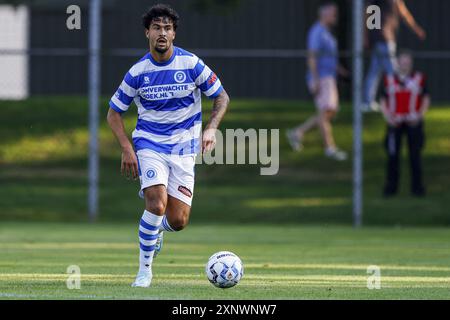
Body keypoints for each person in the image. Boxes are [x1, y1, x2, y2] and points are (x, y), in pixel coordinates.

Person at [107, 4, 230, 287]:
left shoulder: (191, 64)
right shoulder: (137, 72)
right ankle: (144, 271)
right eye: (156, 28)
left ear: (174, 34)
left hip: (184, 150)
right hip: (149, 144)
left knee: (177, 220)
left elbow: (221, 96)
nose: (162, 33)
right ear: (147, 33)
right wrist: (127, 147)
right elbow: (114, 112)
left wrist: (211, 129)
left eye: (167, 28)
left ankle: (156, 231)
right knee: (156, 203)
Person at [287, 1, 348, 161]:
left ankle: (297, 132)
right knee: (325, 112)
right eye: (333, 12)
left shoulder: (327, 32)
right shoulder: (317, 31)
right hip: (321, 78)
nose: (335, 16)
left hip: (329, 76)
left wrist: (341, 70)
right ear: (324, 12)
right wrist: (315, 79)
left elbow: (330, 57)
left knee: (329, 112)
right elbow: (312, 56)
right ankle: (330, 148)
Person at [380, 51, 430, 197]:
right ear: (398, 63)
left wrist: (419, 116)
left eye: (407, 62)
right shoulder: (389, 79)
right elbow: (383, 100)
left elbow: (426, 98)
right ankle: (390, 189)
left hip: (413, 122)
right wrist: (388, 117)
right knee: (392, 156)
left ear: (411, 63)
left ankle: (417, 189)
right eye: (402, 62)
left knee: (415, 156)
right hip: (394, 123)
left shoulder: (419, 78)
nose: (405, 65)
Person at [363, 0, 426, 112]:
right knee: (393, 71)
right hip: (384, 39)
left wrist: (367, 35)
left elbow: (403, 13)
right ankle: (399, 100)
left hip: (381, 38)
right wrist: (367, 34)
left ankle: (368, 102)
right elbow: (369, 12)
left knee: (375, 71)